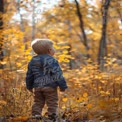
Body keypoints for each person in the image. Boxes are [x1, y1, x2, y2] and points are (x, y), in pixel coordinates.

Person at [25, 39, 68, 121]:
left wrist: (29, 86)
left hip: (37, 87)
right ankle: (52, 118)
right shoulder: (52, 60)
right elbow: (57, 74)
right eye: (53, 47)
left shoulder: (33, 61)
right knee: (52, 103)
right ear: (49, 50)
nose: (54, 49)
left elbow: (29, 75)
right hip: (50, 87)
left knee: (38, 102)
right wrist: (63, 86)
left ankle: (36, 116)